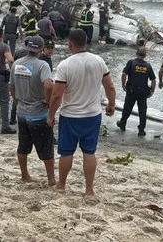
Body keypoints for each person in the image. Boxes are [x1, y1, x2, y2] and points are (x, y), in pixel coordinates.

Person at [47, 29, 116, 196]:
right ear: (86, 42)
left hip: (70, 115)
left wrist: (50, 115)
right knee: (89, 152)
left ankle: (62, 184)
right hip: (92, 115)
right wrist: (111, 104)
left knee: (66, 152)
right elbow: (110, 86)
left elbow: (57, 95)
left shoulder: (65, 65)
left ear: (70, 44)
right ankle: (89, 190)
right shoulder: (99, 61)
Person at [9, 35, 56, 186]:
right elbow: (49, 85)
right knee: (46, 148)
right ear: (42, 49)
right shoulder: (42, 65)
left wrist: (17, 101)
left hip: (22, 111)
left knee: (23, 146)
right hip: (38, 113)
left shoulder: (16, 63)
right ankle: (51, 179)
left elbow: (12, 86)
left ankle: (25, 175)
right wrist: (47, 101)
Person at [117, 47, 156, 136]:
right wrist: (152, 91)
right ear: (145, 56)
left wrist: (123, 85)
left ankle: (122, 124)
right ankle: (141, 130)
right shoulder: (148, 66)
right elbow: (153, 80)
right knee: (142, 111)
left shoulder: (131, 63)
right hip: (143, 91)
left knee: (127, 108)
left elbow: (124, 74)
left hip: (131, 90)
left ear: (136, 53)